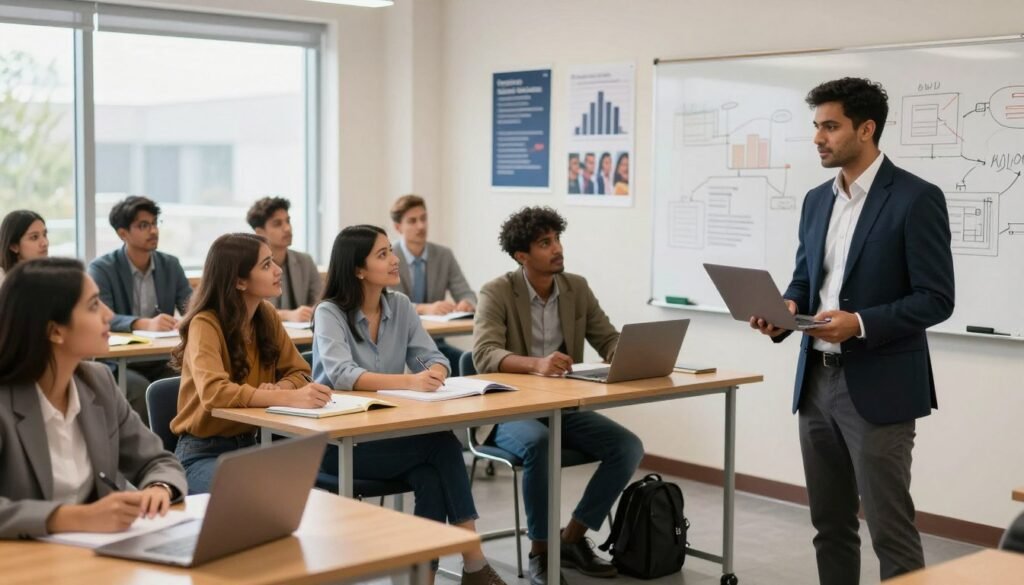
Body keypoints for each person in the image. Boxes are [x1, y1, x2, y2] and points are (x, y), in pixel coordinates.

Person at [750, 78, 954, 584]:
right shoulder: (817, 200)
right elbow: (805, 278)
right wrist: (785, 308)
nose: (818, 138)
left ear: (866, 129)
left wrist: (859, 324)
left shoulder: (915, 198)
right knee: (829, 525)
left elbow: (937, 298)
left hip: (879, 385)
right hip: (815, 380)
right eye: (816, 126)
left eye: (830, 126)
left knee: (890, 530)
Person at [312, 224, 506, 585]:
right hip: (336, 444)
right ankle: (475, 564)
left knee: (431, 476)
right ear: (357, 268)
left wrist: (433, 370)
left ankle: (425, 580)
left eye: (391, 251)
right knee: (442, 445)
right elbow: (341, 374)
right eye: (382, 254)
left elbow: (433, 356)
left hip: (385, 436)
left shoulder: (399, 305)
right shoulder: (329, 312)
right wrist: (409, 381)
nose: (395, 260)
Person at [473, 206, 645, 585]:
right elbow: (484, 355)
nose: (557, 249)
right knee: (540, 444)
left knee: (627, 447)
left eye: (557, 239)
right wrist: (536, 364)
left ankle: (571, 538)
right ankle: (541, 552)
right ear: (522, 255)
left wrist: (628, 356)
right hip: (507, 408)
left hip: (562, 406)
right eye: (544, 243)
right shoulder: (497, 291)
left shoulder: (576, 287)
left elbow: (607, 337)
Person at [0, 258, 186, 539]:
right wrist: (74, 517)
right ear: (55, 331)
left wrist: (159, 487)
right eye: (93, 305)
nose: (109, 314)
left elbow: (157, 461)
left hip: (93, 556)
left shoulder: (97, 381)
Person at [169, 233, 333, 494]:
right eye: (266, 265)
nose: (278, 270)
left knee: (305, 492)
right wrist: (284, 398)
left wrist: (279, 389)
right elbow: (214, 393)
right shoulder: (205, 323)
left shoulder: (265, 314)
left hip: (253, 447)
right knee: (258, 492)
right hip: (200, 454)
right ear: (239, 280)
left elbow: (300, 371)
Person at [88, 196, 192, 424]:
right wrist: (142, 324)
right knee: (140, 389)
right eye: (143, 225)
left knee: (186, 379)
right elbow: (102, 316)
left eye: (155, 223)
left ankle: (179, 451)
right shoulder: (101, 268)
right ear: (122, 233)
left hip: (160, 358)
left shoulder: (170, 265)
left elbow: (191, 304)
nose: (153, 231)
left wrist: (187, 319)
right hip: (118, 363)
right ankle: (145, 456)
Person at [390, 194, 477, 375]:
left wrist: (466, 303)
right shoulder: (389, 257)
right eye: (412, 221)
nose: (421, 226)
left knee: (472, 365)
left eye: (423, 219)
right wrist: (425, 308)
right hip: (399, 344)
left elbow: (467, 293)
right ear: (398, 227)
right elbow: (388, 303)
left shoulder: (443, 255)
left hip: (436, 343)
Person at [246, 196, 322, 323]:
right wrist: (287, 315)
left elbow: (320, 300)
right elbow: (249, 311)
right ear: (259, 232)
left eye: (288, 221)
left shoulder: (305, 261)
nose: (287, 228)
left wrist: (315, 310)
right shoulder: (250, 265)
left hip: (303, 335)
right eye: (277, 224)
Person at [0, 209, 48, 284]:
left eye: (44, 235)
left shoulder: (48, 273)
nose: (45, 243)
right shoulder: (3, 279)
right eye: (34, 237)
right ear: (13, 246)